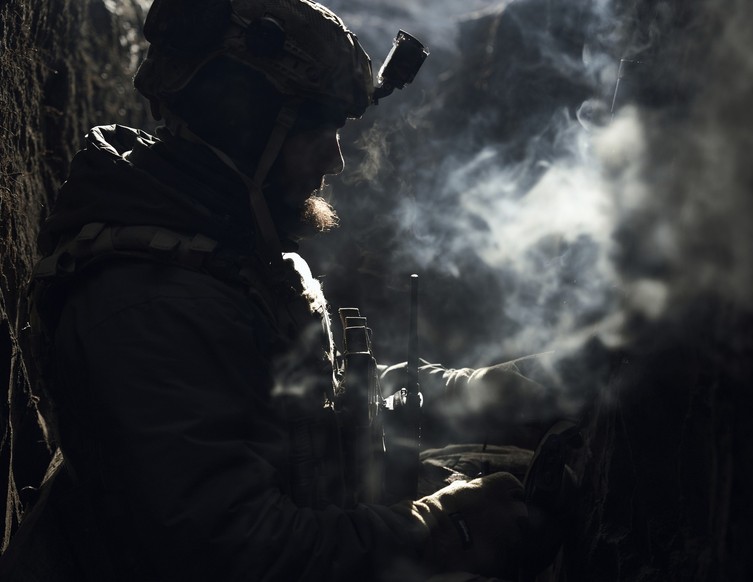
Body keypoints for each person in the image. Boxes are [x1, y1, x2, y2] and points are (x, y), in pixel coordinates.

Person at [0, 1, 544, 581]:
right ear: (249, 130)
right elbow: (237, 553)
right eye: (320, 131)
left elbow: (308, 398)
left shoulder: (225, 251)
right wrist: (441, 528)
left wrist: (478, 391)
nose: (335, 160)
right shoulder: (154, 306)